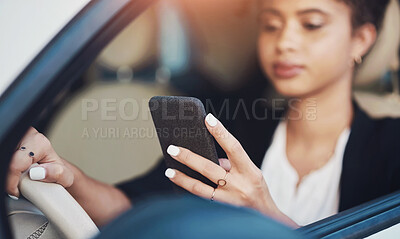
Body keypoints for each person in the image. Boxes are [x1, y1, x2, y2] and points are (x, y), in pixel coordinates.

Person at [6, 0, 398, 228]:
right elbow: (138, 208)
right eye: (270, 25)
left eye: (311, 24)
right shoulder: (235, 128)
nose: (285, 42)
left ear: (361, 38)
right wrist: (66, 174)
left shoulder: (392, 149)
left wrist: (268, 218)